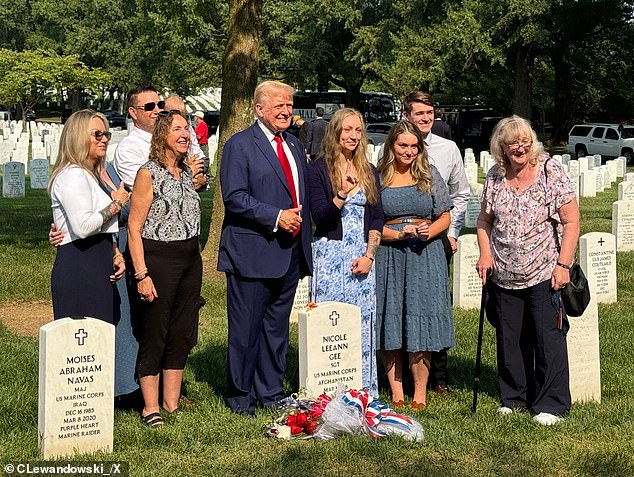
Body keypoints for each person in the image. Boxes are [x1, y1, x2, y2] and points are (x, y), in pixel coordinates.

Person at [476, 115, 579, 426]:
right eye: (511, 143)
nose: (518, 147)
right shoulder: (495, 177)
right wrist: (484, 255)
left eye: (523, 141)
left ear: (531, 142)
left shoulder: (550, 171)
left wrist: (563, 265)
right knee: (510, 338)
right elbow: (484, 221)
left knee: (548, 338)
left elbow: (571, 221)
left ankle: (553, 403)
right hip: (504, 273)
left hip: (544, 270)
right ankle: (514, 398)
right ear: (502, 148)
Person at [218, 80, 313, 415]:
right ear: (259, 109)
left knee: (275, 329)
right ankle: (240, 396)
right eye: (278, 106)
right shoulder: (240, 145)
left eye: (289, 105)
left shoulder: (293, 145)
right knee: (246, 330)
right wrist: (276, 216)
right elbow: (234, 197)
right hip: (253, 253)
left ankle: (270, 392)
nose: (286, 111)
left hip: (289, 253)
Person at [127, 110, 203, 427]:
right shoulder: (148, 173)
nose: (185, 134)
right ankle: (150, 407)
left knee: (182, 332)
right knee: (155, 331)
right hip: (158, 257)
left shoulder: (186, 173)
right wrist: (142, 274)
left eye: (187, 129)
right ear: (162, 135)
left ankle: (171, 404)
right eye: (178, 129)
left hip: (190, 257)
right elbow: (133, 227)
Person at [376, 120, 454, 409]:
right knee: (392, 318)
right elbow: (370, 223)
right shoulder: (379, 176)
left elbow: (444, 215)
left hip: (426, 254)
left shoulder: (429, 174)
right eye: (402, 145)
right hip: (390, 255)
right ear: (392, 146)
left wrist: (429, 231)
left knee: (422, 318)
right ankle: (396, 391)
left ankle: (420, 391)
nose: (408, 151)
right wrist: (396, 234)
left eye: (413, 146)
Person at [308, 108, 384, 398]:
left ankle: (362, 389)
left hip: (361, 257)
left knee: (361, 324)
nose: (353, 136)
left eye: (358, 130)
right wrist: (340, 194)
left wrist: (369, 255)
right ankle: (325, 392)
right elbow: (320, 218)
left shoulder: (369, 170)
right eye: (348, 130)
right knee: (330, 324)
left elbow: (377, 217)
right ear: (336, 132)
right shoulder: (318, 170)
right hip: (329, 256)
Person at [401, 91, 470, 395]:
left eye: (430, 113)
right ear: (407, 116)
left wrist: (451, 231)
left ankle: (439, 377)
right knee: (405, 302)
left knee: (435, 304)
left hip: (438, 238)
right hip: (401, 241)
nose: (426, 118)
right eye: (420, 113)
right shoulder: (394, 147)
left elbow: (461, 193)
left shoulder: (448, 149)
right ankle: (404, 373)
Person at [48, 109, 129, 323]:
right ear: (78, 137)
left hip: (96, 266)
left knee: (97, 347)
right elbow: (83, 227)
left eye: (106, 135)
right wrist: (117, 203)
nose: (104, 140)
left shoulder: (90, 175)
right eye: (97, 135)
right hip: (81, 268)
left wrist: (114, 253)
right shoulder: (73, 175)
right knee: (80, 349)